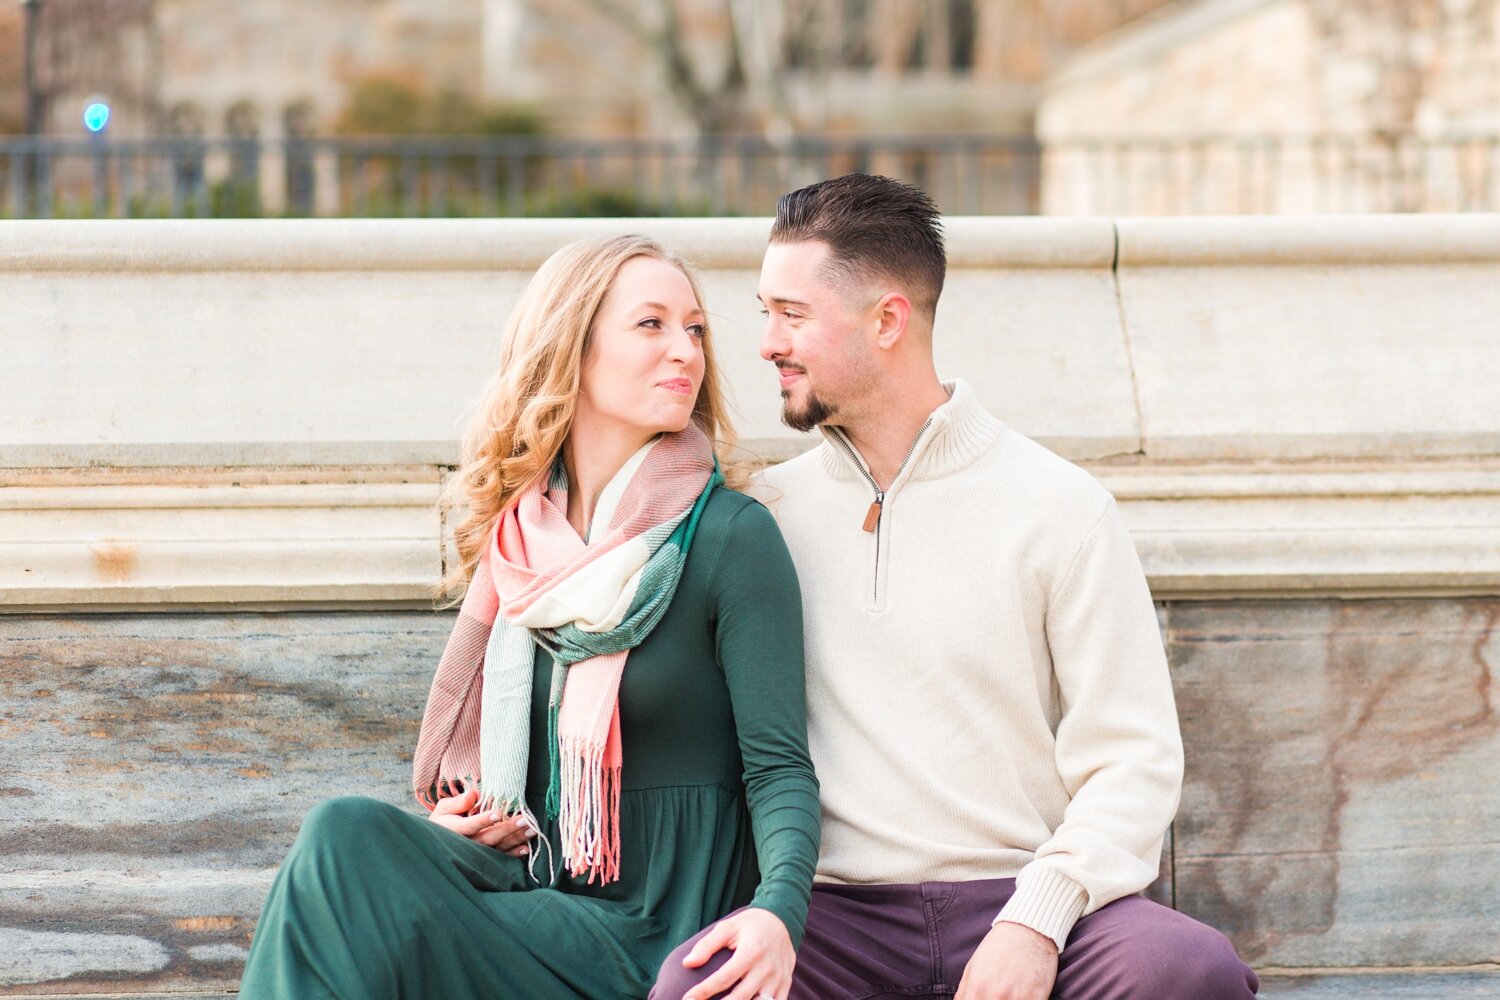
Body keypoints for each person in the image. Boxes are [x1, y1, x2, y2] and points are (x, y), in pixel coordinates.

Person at [653, 176, 1259, 1000]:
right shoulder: (763, 517)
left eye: (790, 314)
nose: (765, 342)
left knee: (1186, 971)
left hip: (1030, 901)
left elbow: (1134, 761)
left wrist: (1036, 922)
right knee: (702, 988)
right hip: (832, 921)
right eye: (765, 311)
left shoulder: (1061, 507)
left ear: (888, 320)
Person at [239, 234, 820, 1000]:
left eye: (696, 329)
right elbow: (516, 790)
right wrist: (450, 836)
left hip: (650, 927)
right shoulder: (521, 544)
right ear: (572, 350)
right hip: (532, 891)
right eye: (651, 325)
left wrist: (778, 916)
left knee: (346, 893)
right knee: (344, 834)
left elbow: (779, 770)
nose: (685, 349)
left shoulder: (728, 538)